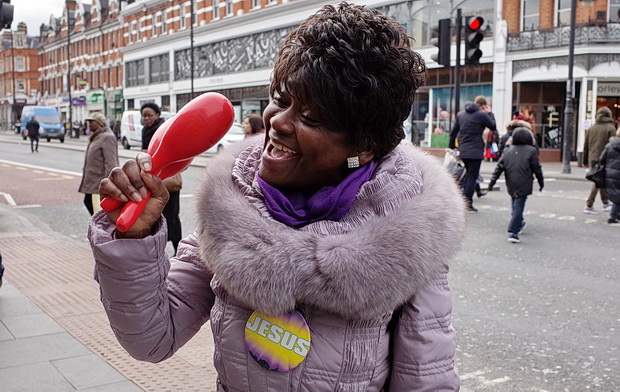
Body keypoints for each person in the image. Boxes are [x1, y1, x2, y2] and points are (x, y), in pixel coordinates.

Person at [88, 3, 465, 391]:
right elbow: (151, 338)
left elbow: (426, 382)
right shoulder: (234, 206)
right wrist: (134, 240)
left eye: (311, 117)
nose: (278, 122)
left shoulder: (408, 234)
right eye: (282, 99)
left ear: (364, 146)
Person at [487, 127, 544, 243]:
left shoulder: (508, 151)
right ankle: (513, 231)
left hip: (511, 181)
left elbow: (499, 167)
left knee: (515, 203)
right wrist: (541, 182)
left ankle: (519, 222)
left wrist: (492, 182)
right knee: (519, 206)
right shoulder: (532, 151)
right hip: (524, 181)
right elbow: (536, 168)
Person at [140, 102, 182, 254]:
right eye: (144, 116)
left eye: (149, 115)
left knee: (172, 216)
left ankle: (179, 249)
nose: (146, 118)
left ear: (158, 115)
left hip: (167, 178)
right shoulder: (145, 131)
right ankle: (159, 249)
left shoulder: (163, 130)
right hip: (153, 178)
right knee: (156, 215)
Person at [449, 95, 497, 211]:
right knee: (472, 176)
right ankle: (467, 203)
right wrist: (490, 113)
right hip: (475, 151)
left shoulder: (461, 115)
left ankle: (462, 199)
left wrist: (451, 147)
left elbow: (453, 132)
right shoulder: (482, 115)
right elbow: (493, 126)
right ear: (482, 105)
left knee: (468, 175)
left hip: (463, 150)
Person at [78, 112, 118, 215]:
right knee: (89, 203)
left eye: (92, 122)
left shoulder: (107, 137)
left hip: (99, 182)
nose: (89, 124)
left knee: (98, 210)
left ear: (100, 123)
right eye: (88, 122)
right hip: (92, 181)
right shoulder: (96, 136)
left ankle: (101, 229)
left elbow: (111, 162)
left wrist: (109, 184)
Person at [582, 106, 615, 215]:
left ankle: (605, 202)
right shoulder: (610, 128)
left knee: (600, 179)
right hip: (604, 157)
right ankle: (589, 204)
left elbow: (586, 145)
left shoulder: (592, 128)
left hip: (592, 157)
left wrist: (584, 160)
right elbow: (613, 145)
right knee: (598, 181)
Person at [598, 127, 620, 224]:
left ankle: (615, 215)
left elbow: (602, 159)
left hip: (610, 174)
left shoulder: (609, 145)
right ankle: (613, 215)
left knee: (616, 194)